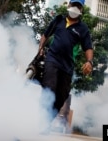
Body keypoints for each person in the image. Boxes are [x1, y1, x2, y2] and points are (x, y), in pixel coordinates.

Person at [38, 0, 93, 132]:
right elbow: (45, 36)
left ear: (81, 9)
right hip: (52, 59)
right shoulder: (58, 20)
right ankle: (39, 121)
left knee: (61, 98)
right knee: (49, 88)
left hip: (67, 67)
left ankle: (46, 122)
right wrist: (40, 48)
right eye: (73, 4)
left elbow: (88, 48)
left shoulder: (83, 28)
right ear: (68, 5)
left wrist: (89, 62)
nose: (75, 8)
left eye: (78, 6)